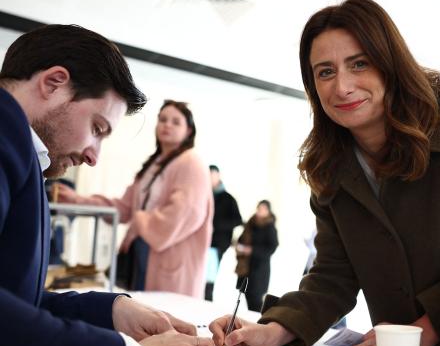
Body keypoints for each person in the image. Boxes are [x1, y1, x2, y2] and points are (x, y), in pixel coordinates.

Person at [210, 0, 440, 346]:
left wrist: (428, 327)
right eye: (325, 72)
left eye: (359, 64)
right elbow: (332, 276)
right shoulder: (328, 166)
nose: (342, 86)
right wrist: (272, 330)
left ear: (390, 65)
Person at [0, 24, 232, 346]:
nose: (93, 156)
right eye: (97, 127)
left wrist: (112, 311)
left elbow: (19, 302)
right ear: (53, 83)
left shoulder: (21, 149)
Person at [57, 100, 213, 298]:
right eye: (163, 119)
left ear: (189, 131)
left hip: (169, 265)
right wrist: (77, 200)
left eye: (175, 122)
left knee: (166, 320)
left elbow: (187, 212)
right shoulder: (153, 165)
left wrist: (140, 220)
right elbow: (123, 207)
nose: (167, 125)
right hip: (142, 257)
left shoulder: (191, 162)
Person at [204, 164, 243, 300]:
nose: (210, 178)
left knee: (209, 279)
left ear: (218, 176)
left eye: (212, 175)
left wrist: (216, 225)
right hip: (202, 242)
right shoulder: (202, 195)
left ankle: (206, 300)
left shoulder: (228, 199)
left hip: (217, 244)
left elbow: (238, 220)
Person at [235, 200, 279, 311]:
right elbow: (241, 238)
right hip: (246, 267)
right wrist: (240, 247)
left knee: (255, 299)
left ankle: (258, 323)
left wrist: (252, 250)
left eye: (263, 209)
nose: (260, 211)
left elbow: (271, 248)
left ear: (268, 211)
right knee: (245, 294)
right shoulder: (251, 223)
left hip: (259, 269)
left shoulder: (270, 227)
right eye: (259, 208)